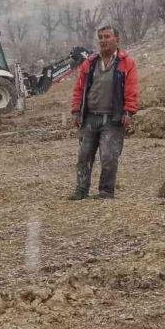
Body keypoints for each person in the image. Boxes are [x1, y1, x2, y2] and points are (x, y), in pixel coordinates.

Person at [69, 26, 139, 200]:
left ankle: (106, 192)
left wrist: (128, 112)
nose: (103, 40)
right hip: (90, 117)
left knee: (109, 157)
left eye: (107, 36)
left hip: (113, 119)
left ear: (117, 39)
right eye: (100, 37)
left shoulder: (126, 63)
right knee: (84, 155)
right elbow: (79, 88)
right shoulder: (90, 63)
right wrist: (77, 111)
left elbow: (132, 90)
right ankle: (81, 190)